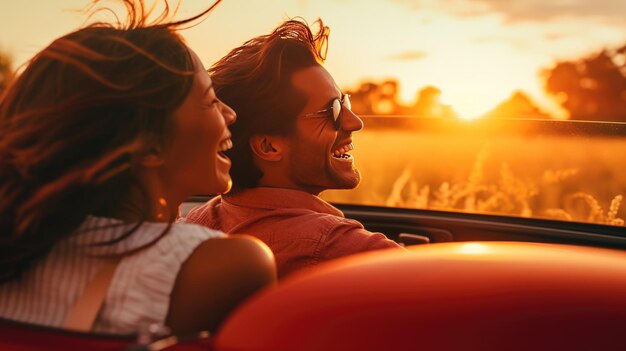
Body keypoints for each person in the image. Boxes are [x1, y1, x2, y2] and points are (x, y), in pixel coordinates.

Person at [0, 0, 275, 335]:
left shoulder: (20, 244)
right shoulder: (226, 265)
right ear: (149, 143)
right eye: (209, 100)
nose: (230, 114)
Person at [185, 18, 403, 279]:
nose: (354, 122)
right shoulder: (337, 247)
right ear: (269, 146)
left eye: (345, 102)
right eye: (332, 111)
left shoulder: (195, 223)